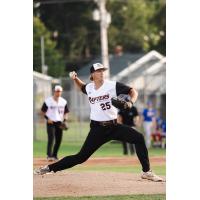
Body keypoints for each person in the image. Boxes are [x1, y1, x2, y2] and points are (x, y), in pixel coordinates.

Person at [34, 63, 163, 182]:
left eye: (102, 70)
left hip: (114, 126)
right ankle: (49, 168)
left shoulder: (111, 85)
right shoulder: (90, 88)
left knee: (139, 138)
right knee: (81, 157)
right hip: (97, 129)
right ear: (92, 74)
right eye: (98, 70)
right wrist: (75, 79)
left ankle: (146, 171)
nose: (101, 72)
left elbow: (132, 91)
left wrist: (130, 102)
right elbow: (83, 88)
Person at [41, 85, 69, 161]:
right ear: (54, 91)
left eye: (59, 91)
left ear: (61, 92)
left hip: (59, 122)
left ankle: (54, 155)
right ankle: (49, 155)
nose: (58, 92)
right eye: (57, 91)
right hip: (51, 122)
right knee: (51, 138)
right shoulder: (48, 101)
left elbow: (66, 112)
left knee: (59, 139)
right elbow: (43, 111)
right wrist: (47, 118)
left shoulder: (63, 101)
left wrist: (65, 120)